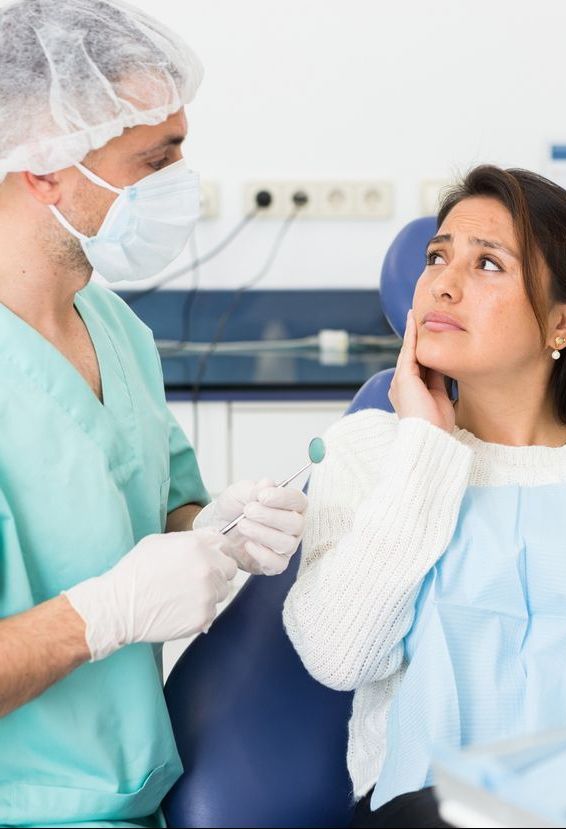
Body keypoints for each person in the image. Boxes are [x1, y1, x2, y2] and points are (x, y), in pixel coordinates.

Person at [0, 1, 306, 826]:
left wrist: (219, 525)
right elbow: (113, 597)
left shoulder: (115, 327)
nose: (181, 181)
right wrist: (100, 615)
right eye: (155, 156)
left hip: (133, 791)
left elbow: (158, 504)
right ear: (46, 171)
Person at [284, 165, 566, 828]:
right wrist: (425, 450)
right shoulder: (374, 449)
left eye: (488, 263)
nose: (441, 281)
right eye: (437, 255)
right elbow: (337, 655)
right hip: (430, 809)